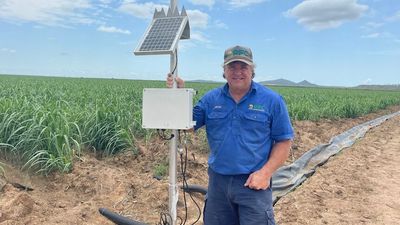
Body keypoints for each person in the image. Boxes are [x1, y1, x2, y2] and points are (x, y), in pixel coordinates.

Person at [166, 45, 294, 225]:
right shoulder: (211, 99)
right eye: (232, 67)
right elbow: (186, 124)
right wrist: (178, 94)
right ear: (224, 71)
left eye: (243, 67)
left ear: (252, 70)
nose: (238, 72)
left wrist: (265, 173)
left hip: (253, 184)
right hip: (218, 183)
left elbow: (284, 141)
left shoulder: (272, 100)